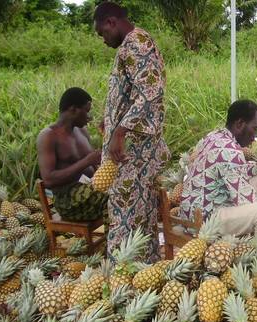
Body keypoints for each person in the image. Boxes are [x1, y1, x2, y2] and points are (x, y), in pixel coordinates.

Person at [94, 2, 169, 262]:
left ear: (111, 22)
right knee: (138, 213)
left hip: (132, 152)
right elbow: (134, 93)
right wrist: (111, 122)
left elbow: (151, 93)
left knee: (126, 214)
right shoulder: (133, 44)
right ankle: (142, 269)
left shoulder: (137, 43)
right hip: (131, 148)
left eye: (102, 33)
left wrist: (120, 133)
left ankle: (123, 274)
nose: (103, 40)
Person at [179, 100, 257, 237]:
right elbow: (247, 201)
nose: (256, 137)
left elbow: (239, 169)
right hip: (205, 223)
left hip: (191, 214)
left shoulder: (215, 136)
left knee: (256, 175)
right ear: (239, 124)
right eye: (255, 129)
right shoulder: (231, 152)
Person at [37, 87, 108, 223]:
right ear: (73, 109)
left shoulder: (82, 132)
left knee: (122, 190)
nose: (89, 117)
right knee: (112, 200)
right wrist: (86, 162)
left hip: (90, 190)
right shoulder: (48, 136)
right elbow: (49, 179)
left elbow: (95, 164)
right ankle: (114, 244)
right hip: (68, 200)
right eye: (86, 111)